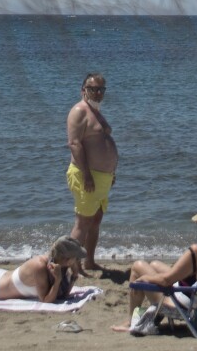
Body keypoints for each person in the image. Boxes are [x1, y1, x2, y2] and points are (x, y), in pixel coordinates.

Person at [111, 199, 197, 332]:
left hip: (189, 308)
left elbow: (166, 281)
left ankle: (130, 322)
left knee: (138, 267)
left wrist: (145, 279)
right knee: (155, 265)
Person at [67, 71, 118, 271]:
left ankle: (88, 261)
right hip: (87, 176)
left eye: (101, 89)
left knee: (96, 220)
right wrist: (87, 175)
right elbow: (74, 144)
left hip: (102, 178)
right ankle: (71, 266)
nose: (97, 93)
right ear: (83, 90)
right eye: (93, 89)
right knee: (82, 223)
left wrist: (111, 172)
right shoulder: (79, 111)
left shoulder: (95, 111)